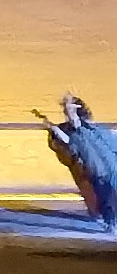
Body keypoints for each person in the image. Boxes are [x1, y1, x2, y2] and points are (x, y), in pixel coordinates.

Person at [47, 94, 117, 231]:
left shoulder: (90, 134)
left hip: (100, 172)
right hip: (101, 172)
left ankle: (110, 222)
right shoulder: (95, 133)